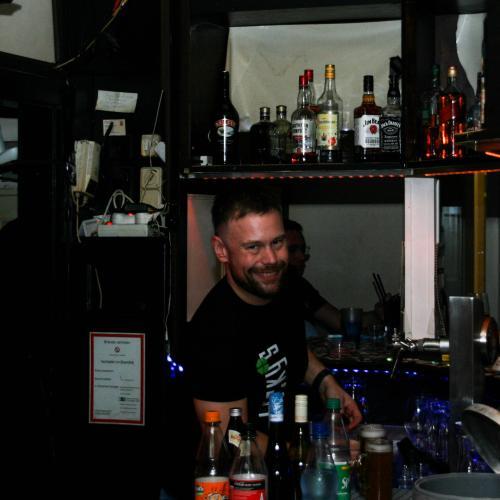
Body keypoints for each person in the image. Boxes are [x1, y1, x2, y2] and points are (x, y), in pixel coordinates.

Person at [184, 185, 362, 452]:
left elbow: (288, 347)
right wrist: (310, 455)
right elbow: (229, 439)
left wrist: (326, 383)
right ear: (221, 250)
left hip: (284, 460)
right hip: (242, 474)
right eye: (253, 247)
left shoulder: (282, 287)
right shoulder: (213, 333)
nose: (271, 259)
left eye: (277, 242)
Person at [284, 218, 382, 336]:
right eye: (292, 250)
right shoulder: (267, 293)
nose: (301, 256)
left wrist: (379, 313)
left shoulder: (299, 285)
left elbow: (339, 321)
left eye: (302, 249)